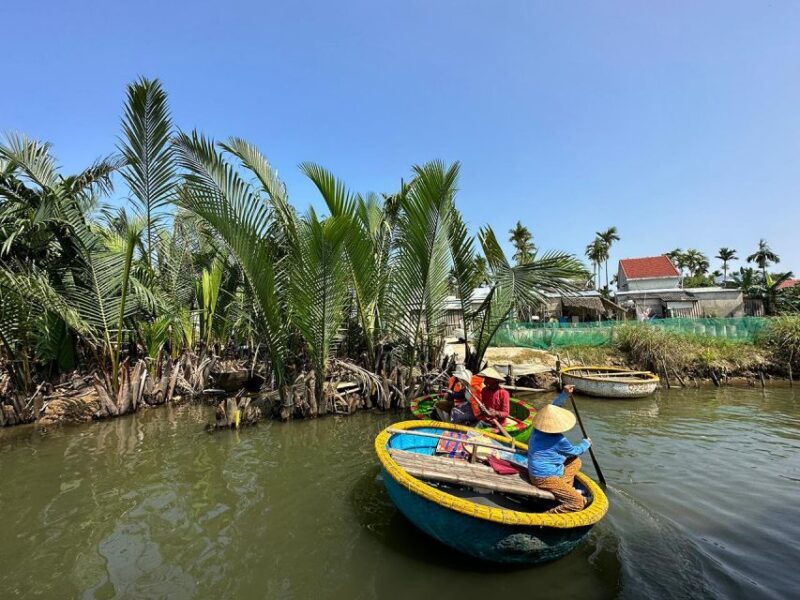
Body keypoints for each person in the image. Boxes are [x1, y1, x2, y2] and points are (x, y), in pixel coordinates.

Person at [527, 385, 591, 513]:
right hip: (544, 478)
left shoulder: (537, 430)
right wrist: (586, 443)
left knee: (575, 461)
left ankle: (565, 489)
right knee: (578, 502)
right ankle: (547, 516)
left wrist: (565, 394)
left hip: (536, 471)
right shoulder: (559, 440)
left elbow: (554, 408)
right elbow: (575, 451)